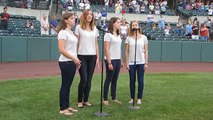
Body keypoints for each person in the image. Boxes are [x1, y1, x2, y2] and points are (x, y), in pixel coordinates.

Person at [57, 12, 81, 116]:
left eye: (74, 18)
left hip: (72, 61)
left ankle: (67, 106)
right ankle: (63, 108)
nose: (74, 20)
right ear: (65, 20)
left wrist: (76, 60)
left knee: (68, 85)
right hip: (65, 62)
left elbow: (72, 49)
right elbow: (61, 49)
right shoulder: (63, 32)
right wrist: (73, 58)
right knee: (65, 85)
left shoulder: (70, 32)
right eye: (71, 18)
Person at [74, 9, 99, 108]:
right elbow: (75, 42)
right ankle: (79, 100)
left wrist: (97, 57)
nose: (89, 16)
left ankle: (86, 100)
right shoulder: (78, 27)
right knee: (84, 79)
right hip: (81, 55)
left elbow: (96, 43)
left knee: (89, 80)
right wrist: (75, 56)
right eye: (87, 14)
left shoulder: (95, 29)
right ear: (84, 16)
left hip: (92, 56)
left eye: (91, 14)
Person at [125, 20, 148, 105]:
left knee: (141, 81)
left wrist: (146, 63)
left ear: (138, 27)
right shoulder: (128, 38)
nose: (134, 26)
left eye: (136, 25)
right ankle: (132, 97)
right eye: (133, 25)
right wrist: (127, 63)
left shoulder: (144, 37)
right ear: (131, 27)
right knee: (132, 81)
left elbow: (146, 51)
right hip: (131, 62)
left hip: (141, 62)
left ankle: (139, 98)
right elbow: (126, 51)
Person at [103, 17, 123, 106]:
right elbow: (106, 49)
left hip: (117, 60)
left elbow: (119, 49)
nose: (120, 23)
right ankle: (105, 99)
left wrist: (121, 60)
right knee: (108, 79)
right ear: (113, 23)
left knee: (115, 80)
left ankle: (114, 98)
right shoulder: (108, 35)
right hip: (110, 60)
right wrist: (109, 62)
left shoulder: (118, 35)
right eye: (118, 22)